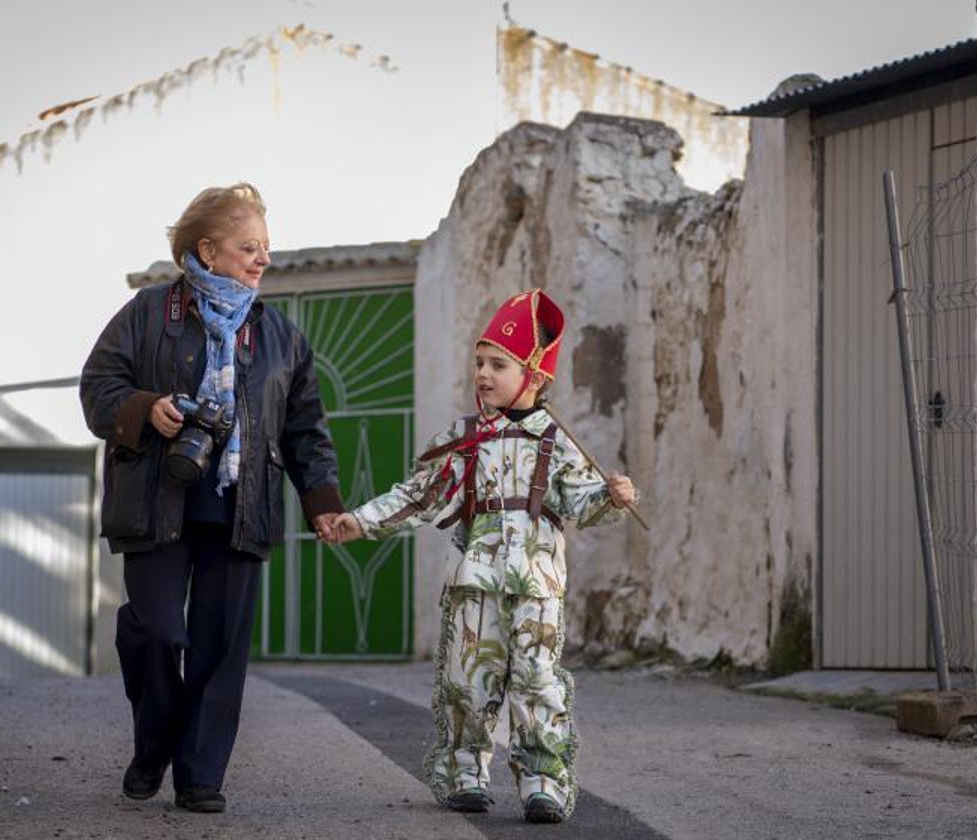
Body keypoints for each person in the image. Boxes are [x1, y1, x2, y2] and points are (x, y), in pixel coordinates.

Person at [323, 288, 636, 824]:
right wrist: (361, 520)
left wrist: (612, 496)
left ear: (534, 378)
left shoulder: (559, 444)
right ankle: (464, 773)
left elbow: (583, 504)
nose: (484, 374)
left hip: (537, 585)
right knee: (468, 681)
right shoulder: (465, 439)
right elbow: (418, 494)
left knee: (537, 680)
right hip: (475, 580)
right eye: (479, 363)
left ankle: (544, 782)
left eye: (498, 364)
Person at [79, 183, 344, 814]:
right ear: (207, 249)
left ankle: (199, 776)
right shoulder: (148, 312)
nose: (262, 261)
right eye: (249, 247)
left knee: (219, 647)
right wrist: (148, 409)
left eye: (266, 248)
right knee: (154, 632)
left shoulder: (280, 336)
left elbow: (306, 429)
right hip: (154, 501)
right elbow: (97, 386)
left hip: (241, 506)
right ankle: (154, 746)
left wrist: (323, 499)